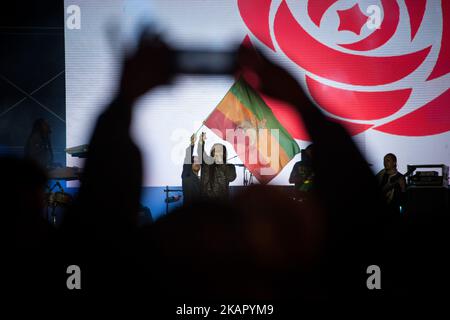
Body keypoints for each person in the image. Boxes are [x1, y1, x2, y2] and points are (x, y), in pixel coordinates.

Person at [198, 132, 236, 201]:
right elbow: (201, 154)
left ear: (224, 154)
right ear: (212, 153)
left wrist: (221, 163)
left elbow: (231, 177)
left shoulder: (230, 167)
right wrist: (201, 142)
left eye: (220, 151)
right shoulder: (206, 164)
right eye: (215, 150)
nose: (217, 152)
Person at [181, 133, 201, 205]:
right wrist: (192, 143)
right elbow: (187, 159)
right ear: (190, 164)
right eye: (194, 161)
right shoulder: (187, 175)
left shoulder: (201, 179)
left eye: (198, 161)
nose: (197, 163)